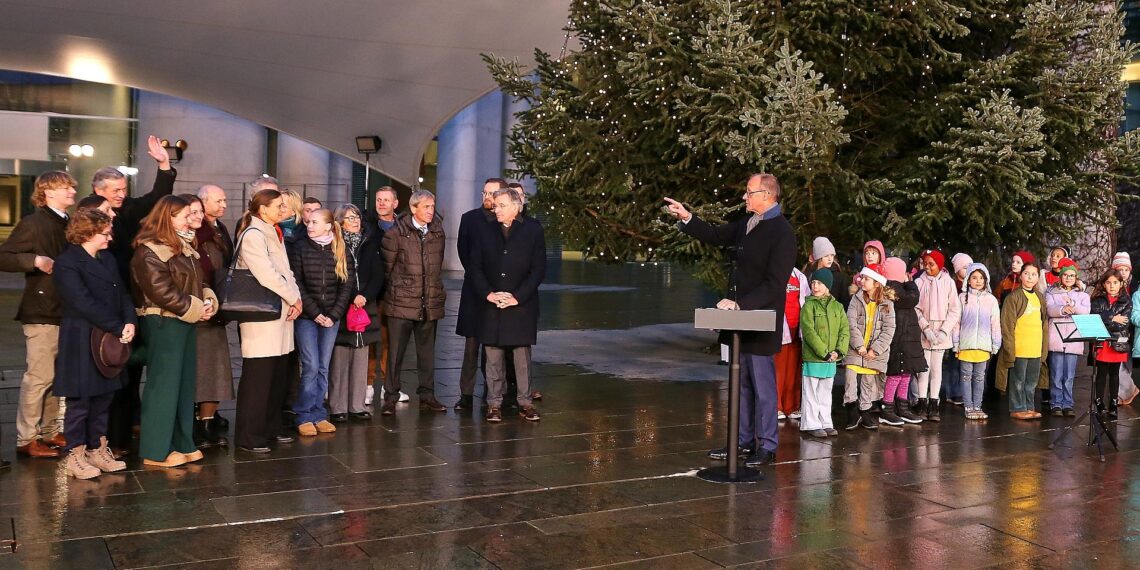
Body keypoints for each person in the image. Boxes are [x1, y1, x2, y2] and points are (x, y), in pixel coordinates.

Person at [664, 172, 796, 466]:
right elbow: (714, 235)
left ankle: (768, 445)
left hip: (759, 322)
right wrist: (687, 217)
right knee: (742, 384)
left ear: (767, 195)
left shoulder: (782, 232)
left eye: (749, 192)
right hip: (741, 325)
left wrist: (740, 305)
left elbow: (775, 283)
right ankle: (742, 442)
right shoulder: (748, 224)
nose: (744, 197)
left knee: (763, 388)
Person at [96, 136, 177, 458]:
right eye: (115, 191)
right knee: (115, 372)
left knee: (131, 370)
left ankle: (127, 425)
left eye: (123, 190)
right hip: (109, 304)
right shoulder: (92, 212)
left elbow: (156, 198)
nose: (121, 196)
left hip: (131, 299)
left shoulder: (126, 209)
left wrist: (163, 165)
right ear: (99, 190)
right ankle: (111, 438)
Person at [131, 195, 217, 467]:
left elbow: (197, 282)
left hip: (184, 321)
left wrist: (208, 299)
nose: (191, 219)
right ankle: (155, 451)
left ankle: (182, 442)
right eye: (184, 216)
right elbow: (160, 291)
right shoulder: (149, 250)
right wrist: (195, 307)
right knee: (164, 388)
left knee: (183, 387)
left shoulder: (184, 246)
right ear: (167, 218)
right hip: (163, 323)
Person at [52, 209, 134, 478]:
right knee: (80, 400)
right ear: (87, 233)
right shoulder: (67, 263)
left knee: (103, 397)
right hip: (81, 337)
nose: (109, 238)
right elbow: (82, 302)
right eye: (104, 233)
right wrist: (117, 325)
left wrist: (129, 321)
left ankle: (97, 449)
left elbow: (122, 293)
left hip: (108, 337)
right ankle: (75, 456)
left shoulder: (107, 258)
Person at [0, 171, 76, 458]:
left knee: (56, 377)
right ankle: (26, 438)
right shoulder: (33, 223)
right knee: (40, 376)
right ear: (48, 192)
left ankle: (49, 431)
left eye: (71, 187)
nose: (71, 191)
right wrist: (34, 260)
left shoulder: (68, 222)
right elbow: (3, 256)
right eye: (65, 187)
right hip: (41, 310)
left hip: (64, 310)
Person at [232, 189, 302, 453]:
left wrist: (296, 298)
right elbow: (266, 274)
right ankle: (249, 436)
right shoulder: (253, 234)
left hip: (280, 312)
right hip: (262, 316)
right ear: (263, 209)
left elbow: (286, 270)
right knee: (258, 379)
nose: (283, 209)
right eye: (279, 205)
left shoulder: (272, 231)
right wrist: (293, 297)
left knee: (276, 377)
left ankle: (271, 428)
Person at [469, 188, 546, 422]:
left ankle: (525, 402)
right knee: (492, 355)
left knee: (521, 358)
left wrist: (517, 297)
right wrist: (489, 294)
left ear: (515, 206)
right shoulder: (484, 229)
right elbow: (475, 267)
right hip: (492, 301)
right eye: (495, 205)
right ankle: (494, 403)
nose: (496, 208)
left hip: (521, 304)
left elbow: (538, 269)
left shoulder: (533, 229)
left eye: (501, 205)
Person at [381, 190, 448, 415]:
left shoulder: (438, 232)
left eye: (432, 206)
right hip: (401, 303)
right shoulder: (395, 233)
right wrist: (396, 293)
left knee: (427, 353)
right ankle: (390, 396)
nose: (430, 211)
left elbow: (436, 268)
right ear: (413, 208)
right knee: (395, 354)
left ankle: (427, 395)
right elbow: (386, 269)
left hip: (429, 302)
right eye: (426, 206)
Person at [289, 208, 354, 436]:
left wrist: (335, 314)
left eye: (315, 222)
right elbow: (296, 282)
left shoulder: (340, 249)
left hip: (331, 318)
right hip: (307, 316)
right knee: (311, 366)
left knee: (324, 366)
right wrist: (315, 312)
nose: (309, 225)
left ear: (328, 226)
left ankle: (318, 413)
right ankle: (304, 414)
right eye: (309, 221)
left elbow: (347, 284)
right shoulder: (300, 247)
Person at [178, 193, 231, 449]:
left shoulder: (215, 236)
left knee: (213, 371)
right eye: (192, 212)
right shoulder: (175, 242)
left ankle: (207, 423)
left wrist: (213, 301)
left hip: (213, 310)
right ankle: (188, 425)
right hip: (186, 312)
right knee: (192, 372)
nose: (198, 216)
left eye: (200, 211)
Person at [328, 205, 384, 422]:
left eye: (357, 216)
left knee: (362, 355)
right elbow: (335, 275)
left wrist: (365, 296)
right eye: (350, 218)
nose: (355, 221)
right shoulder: (334, 244)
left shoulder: (369, 242)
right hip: (343, 304)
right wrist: (351, 296)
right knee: (340, 357)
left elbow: (378, 275)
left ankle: (357, 405)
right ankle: (338, 406)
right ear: (340, 222)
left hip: (364, 305)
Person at [455, 178, 506, 410]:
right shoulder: (469, 219)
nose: (487, 197)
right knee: (471, 346)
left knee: (494, 346)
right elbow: (464, 253)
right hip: (475, 291)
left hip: (499, 291)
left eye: (492, 193)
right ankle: (465, 395)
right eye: (484, 192)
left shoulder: (505, 220)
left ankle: (492, 392)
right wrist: (480, 283)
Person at [195, 184, 235, 433]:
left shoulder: (220, 229)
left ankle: (209, 416)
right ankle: (202, 419)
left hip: (217, 303)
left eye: (224, 200)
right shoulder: (198, 232)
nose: (224, 205)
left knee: (214, 366)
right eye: (219, 201)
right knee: (204, 366)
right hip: (201, 304)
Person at [362, 186, 404, 405]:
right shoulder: (368, 226)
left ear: (395, 203)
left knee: (391, 340)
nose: (381, 203)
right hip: (373, 292)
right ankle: (368, 385)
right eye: (379, 199)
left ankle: (389, 387)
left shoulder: (402, 226)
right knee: (371, 339)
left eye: (386, 200)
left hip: (396, 293)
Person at [843, 267, 897, 430]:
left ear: (877, 283)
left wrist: (876, 350)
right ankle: (851, 408)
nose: (861, 281)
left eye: (866, 279)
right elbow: (850, 323)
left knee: (868, 381)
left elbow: (889, 329)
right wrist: (859, 345)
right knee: (850, 377)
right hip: (856, 348)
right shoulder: (856, 299)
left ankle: (864, 409)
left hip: (873, 352)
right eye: (861, 278)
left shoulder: (887, 304)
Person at [798, 268, 848, 437]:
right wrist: (824, 352)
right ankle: (811, 423)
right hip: (814, 358)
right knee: (811, 392)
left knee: (826, 393)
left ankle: (825, 422)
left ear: (828, 286)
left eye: (819, 283)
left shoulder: (838, 307)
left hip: (831, 359)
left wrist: (838, 351)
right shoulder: (808, 306)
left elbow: (844, 330)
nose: (815, 286)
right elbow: (809, 332)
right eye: (813, 283)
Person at [913, 249, 960, 421]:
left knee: (936, 369)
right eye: (925, 264)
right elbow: (916, 308)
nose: (927, 267)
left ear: (939, 265)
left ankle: (934, 403)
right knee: (923, 369)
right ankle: (921, 401)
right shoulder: (919, 282)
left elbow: (954, 309)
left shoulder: (948, 282)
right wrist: (925, 328)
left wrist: (944, 331)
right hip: (925, 331)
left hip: (941, 331)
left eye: (931, 264)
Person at [998, 262, 1048, 420]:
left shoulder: (1039, 297)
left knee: (1031, 381)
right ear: (1021, 275)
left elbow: (1044, 323)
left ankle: (1029, 407)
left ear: (1037, 278)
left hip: (1035, 347)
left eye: (1034, 274)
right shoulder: (1014, 297)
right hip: (1019, 347)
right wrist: (1009, 348)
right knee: (1018, 380)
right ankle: (1017, 408)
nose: (1030, 277)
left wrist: (1043, 348)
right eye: (1027, 273)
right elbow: (1007, 324)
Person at [954, 263, 1002, 420]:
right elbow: (956, 323)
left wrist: (995, 344)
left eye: (981, 277)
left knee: (980, 377)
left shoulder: (991, 300)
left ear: (986, 280)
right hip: (966, 345)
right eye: (974, 277)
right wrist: (956, 344)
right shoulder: (962, 298)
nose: (978, 280)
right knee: (966, 376)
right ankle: (968, 406)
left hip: (983, 346)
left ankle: (977, 406)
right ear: (968, 280)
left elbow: (995, 324)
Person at [882, 257, 925, 425]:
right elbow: (913, 298)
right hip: (900, 338)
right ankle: (888, 407)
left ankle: (902, 406)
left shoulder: (896, 288)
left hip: (907, 337)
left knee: (906, 373)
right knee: (896, 373)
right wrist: (911, 282)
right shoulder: (895, 289)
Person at [1044, 259, 1088, 417]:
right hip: (1056, 338)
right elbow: (1049, 309)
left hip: (1073, 341)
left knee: (1069, 376)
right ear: (1060, 276)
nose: (1069, 278)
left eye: (1072, 275)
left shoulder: (1082, 295)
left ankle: (1067, 403)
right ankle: (1055, 403)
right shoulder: (1051, 292)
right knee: (1056, 374)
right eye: (1066, 275)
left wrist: (1074, 306)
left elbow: (1086, 311)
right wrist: (1063, 308)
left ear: (1076, 277)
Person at [1090, 269, 1132, 419]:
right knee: (1101, 373)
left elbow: (1123, 325)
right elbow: (1094, 319)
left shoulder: (1126, 301)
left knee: (1114, 374)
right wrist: (1114, 317)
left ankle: (1113, 402)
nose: (1112, 286)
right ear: (1104, 284)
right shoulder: (1097, 300)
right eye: (1108, 283)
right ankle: (1099, 401)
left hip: (1117, 342)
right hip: (1102, 342)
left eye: (1115, 282)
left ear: (1121, 284)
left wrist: (1106, 320)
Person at [776, 267, 808, 420]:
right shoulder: (775, 272)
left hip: (797, 330)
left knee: (794, 371)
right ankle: (777, 407)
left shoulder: (799, 276)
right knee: (778, 370)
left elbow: (805, 300)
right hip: (781, 330)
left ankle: (792, 407)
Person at [1110, 252, 1139, 405]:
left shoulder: (1134, 286)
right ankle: (1126, 391)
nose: (1123, 273)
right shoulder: (1111, 283)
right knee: (1117, 361)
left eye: (1126, 270)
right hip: (1115, 328)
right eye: (1120, 270)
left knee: (1124, 362)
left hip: (1130, 329)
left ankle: (1126, 392)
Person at [805, 236, 850, 308]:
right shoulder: (809, 274)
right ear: (819, 257)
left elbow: (845, 303)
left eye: (832, 255)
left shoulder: (840, 276)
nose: (830, 259)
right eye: (826, 256)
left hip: (834, 316)